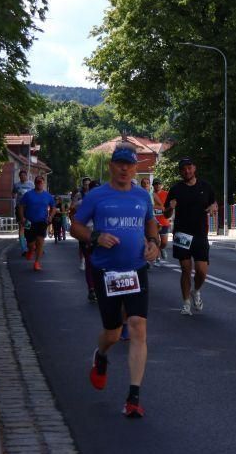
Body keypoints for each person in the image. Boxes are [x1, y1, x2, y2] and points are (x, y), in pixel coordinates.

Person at [70, 144, 160, 418]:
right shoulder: (97, 196)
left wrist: (154, 242)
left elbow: (150, 222)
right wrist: (95, 237)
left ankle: (133, 397)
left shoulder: (142, 195)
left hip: (136, 269)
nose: (124, 168)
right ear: (111, 166)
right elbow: (75, 226)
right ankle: (101, 354)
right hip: (106, 271)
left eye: (129, 165)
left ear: (135, 168)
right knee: (112, 333)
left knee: (138, 327)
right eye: (119, 163)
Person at [164, 158, 218, 315]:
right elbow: (166, 214)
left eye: (189, 168)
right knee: (185, 269)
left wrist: (213, 208)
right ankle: (186, 303)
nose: (187, 171)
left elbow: (214, 204)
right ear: (180, 172)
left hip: (200, 233)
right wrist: (170, 208)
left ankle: (196, 290)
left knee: (201, 271)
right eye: (183, 169)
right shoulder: (175, 189)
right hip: (182, 234)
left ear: (194, 168)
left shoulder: (205, 186)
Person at [18, 176, 56, 272]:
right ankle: (31, 250)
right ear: (35, 183)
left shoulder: (48, 196)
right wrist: (22, 218)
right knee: (30, 243)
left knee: (40, 241)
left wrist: (50, 216)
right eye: (38, 182)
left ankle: (37, 262)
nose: (39, 184)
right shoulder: (28, 195)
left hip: (42, 222)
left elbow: (53, 207)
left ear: (43, 183)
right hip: (29, 222)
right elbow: (21, 206)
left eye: (41, 182)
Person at [13, 170, 34, 257]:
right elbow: (13, 194)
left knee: (30, 227)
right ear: (19, 177)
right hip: (19, 208)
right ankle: (24, 249)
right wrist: (16, 199)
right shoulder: (16, 185)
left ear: (26, 176)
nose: (23, 177)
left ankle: (33, 246)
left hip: (29, 208)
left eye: (24, 176)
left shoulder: (31, 184)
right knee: (21, 227)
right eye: (21, 176)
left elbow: (35, 193)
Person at [151, 178, 171, 265]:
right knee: (156, 241)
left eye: (159, 184)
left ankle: (162, 248)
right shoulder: (150, 195)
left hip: (164, 221)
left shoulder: (166, 194)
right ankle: (157, 259)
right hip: (153, 222)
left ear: (161, 185)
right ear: (153, 185)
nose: (157, 185)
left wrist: (169, 212)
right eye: (156, 184)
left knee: (164, 242)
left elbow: (170, 206)